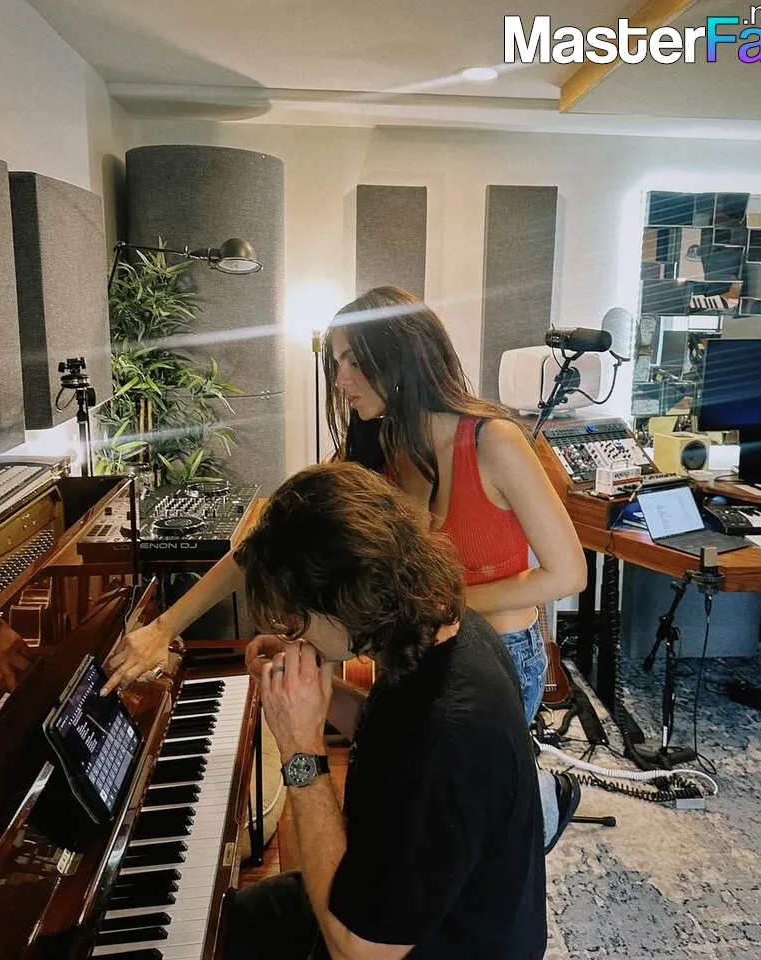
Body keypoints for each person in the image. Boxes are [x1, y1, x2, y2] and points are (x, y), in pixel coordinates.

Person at [228, 461, 545, 960]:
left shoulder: (445, 735)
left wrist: (300, 749)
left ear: (346, 601)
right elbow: (391, 734)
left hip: (416, 945)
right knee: (232, 921)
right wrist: (318, 689)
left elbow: (358, 952)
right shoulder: (443, 629)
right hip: (398, 888)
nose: (291, 631)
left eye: (296, 618)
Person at [323, 285, 587, 849]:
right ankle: (537, 793)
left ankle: (539, 801)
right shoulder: (382, 442)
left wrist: (436, 606)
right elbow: (291, 517)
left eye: (352, 361)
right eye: (336, 363)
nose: (340, 379)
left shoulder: (495, 440)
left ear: (400, 355)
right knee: (419, 795)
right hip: (418, 647)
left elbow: (567, 574)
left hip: (500, 656)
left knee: (455, 823)